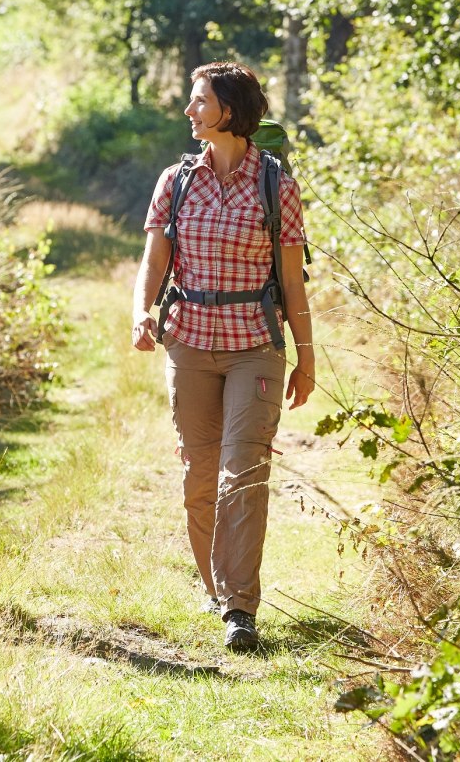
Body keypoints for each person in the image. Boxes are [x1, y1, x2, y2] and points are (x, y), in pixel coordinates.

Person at [131, 61, 315, 653]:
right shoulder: (176, 181)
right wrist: (143, 311)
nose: (190, 111)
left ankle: (240, 607)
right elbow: (154, 262)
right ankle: (215, 591)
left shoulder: (276, 186)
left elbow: (293, 280)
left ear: (229, 111)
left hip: (255, 347)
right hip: (188, 341)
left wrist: (306, 358)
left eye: (200, 101)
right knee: (199, 474)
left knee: (245, 473)